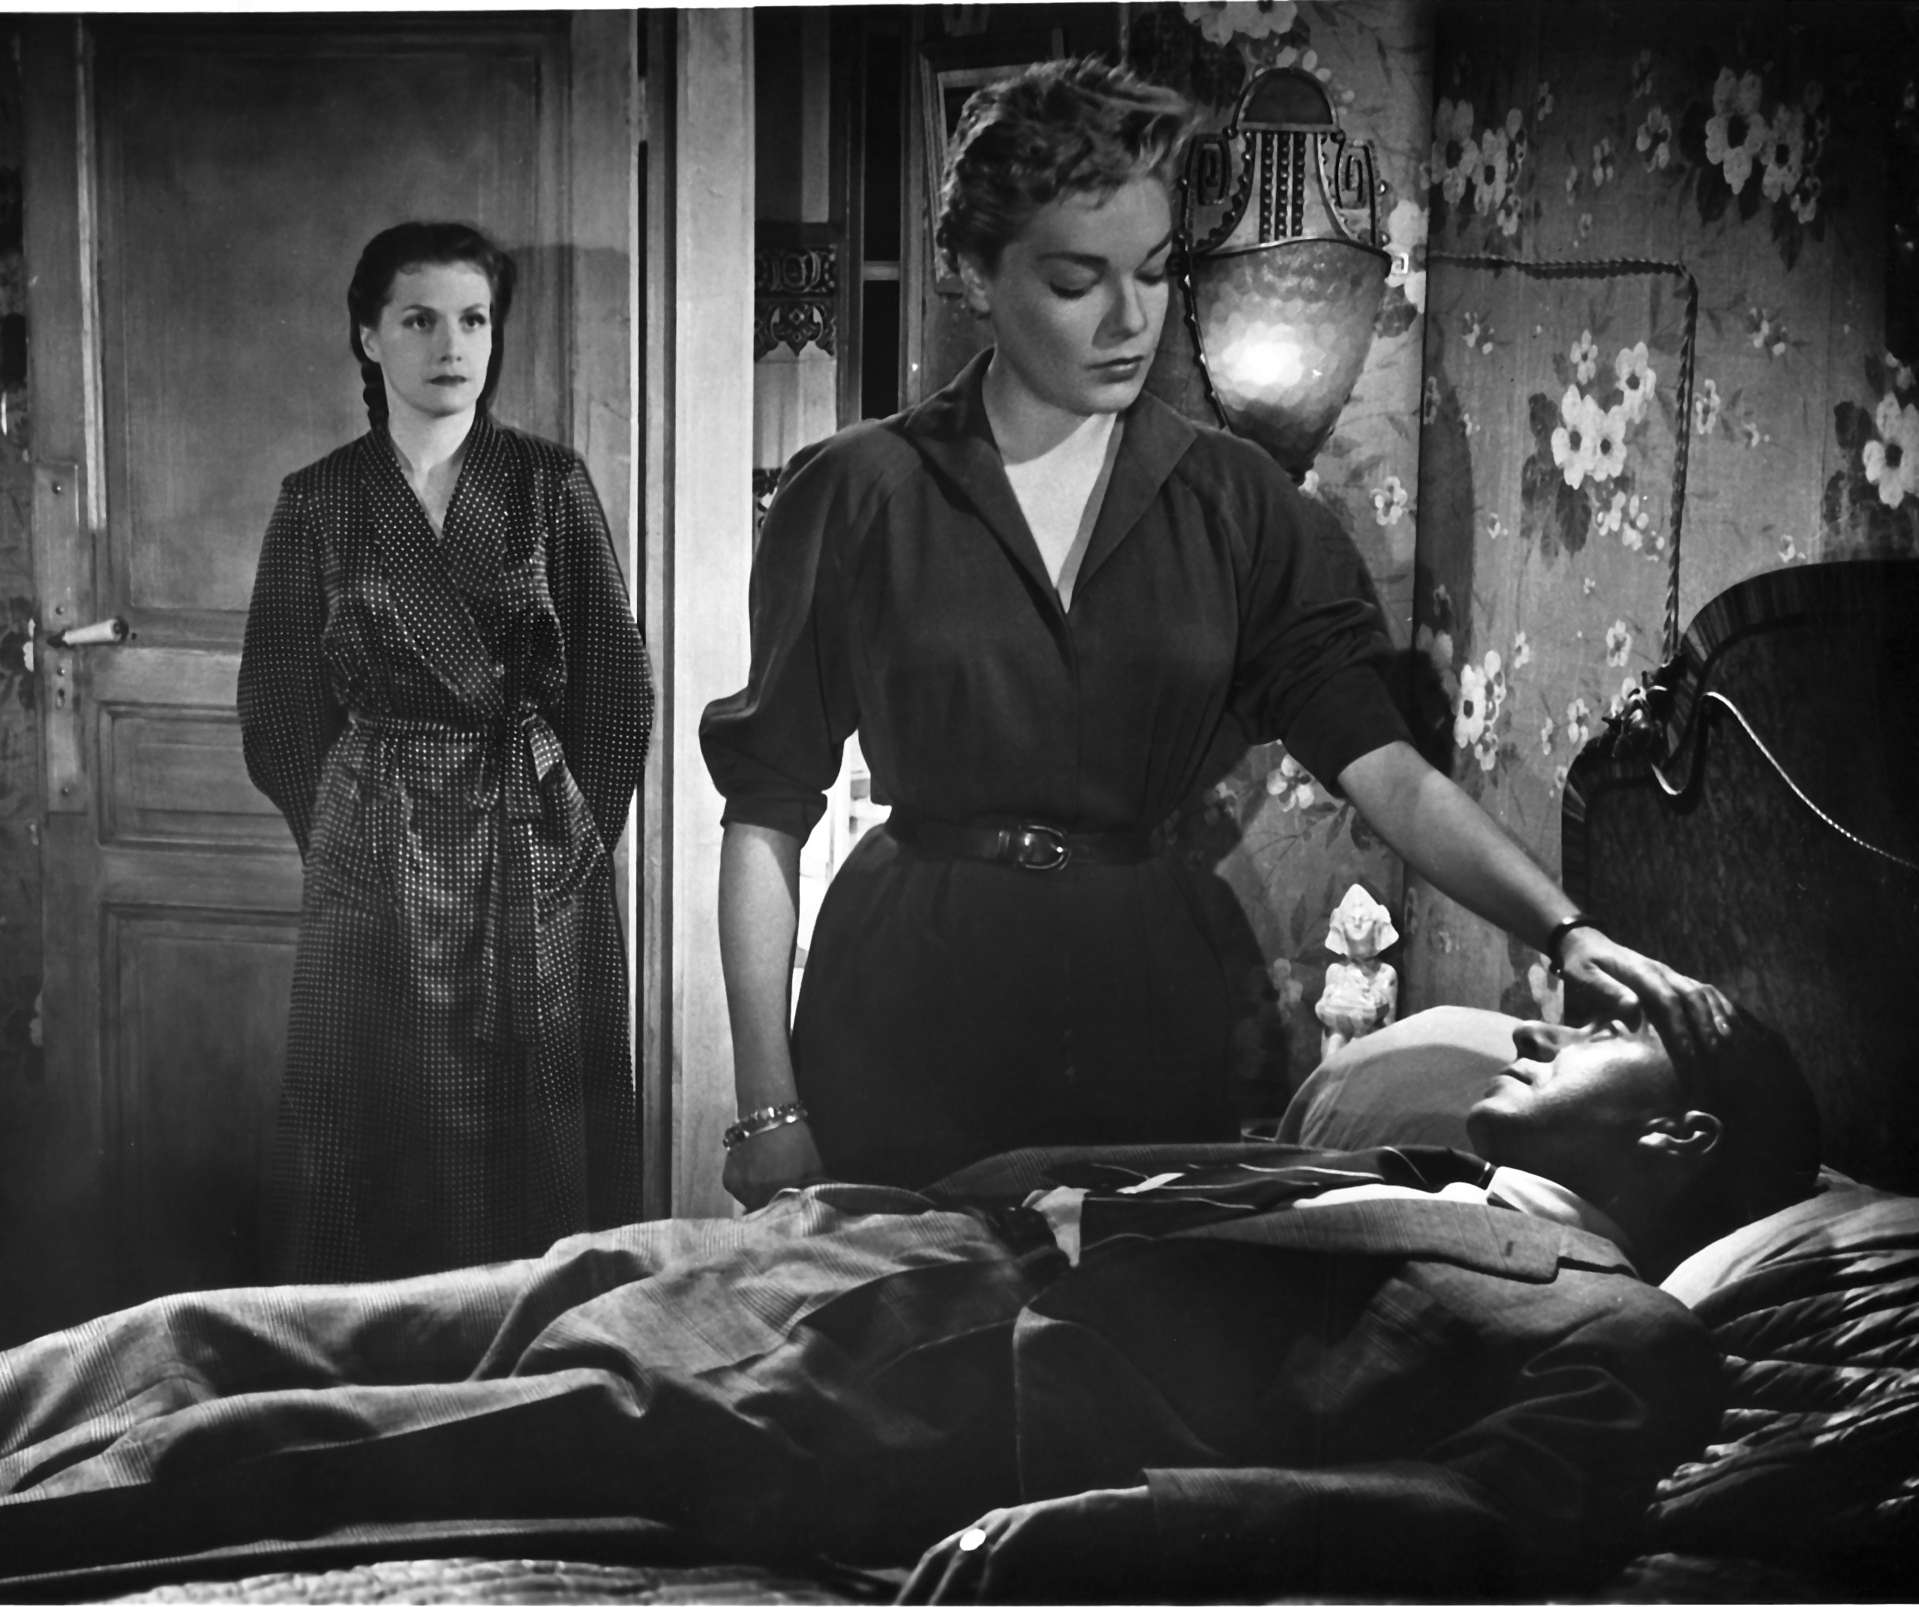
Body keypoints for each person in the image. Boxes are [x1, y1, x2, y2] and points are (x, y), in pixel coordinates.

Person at [699, 57, 1730, 1208]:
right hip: (908, 1000)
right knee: (891, 1306)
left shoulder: (1238, 503)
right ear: (972, 275)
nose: (1129, 319)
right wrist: (769, 1107)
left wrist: (1565, 930)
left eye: (1152, 271)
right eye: (1076, 280)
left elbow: (1385, 769)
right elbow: (764, 810)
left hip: (1142, 1000)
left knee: (1136, 1306)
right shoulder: (853, 492)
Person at [0, 997, 1820, 1602]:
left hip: (897, 1399)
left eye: (1592, 1031)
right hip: (838, 1250)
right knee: (211, 1324)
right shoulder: (1380, 1165)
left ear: (1681, 1131)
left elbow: (1486, 1521)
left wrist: (1116, 1528)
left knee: (280, 1445)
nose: (1533, 1026)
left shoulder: (1625, 1325)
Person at [237, 222, 653, 1281]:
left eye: (473, 319)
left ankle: (536, 1344)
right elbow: (277, 704)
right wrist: (345, 819)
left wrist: (565, 835)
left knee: (536, 1117)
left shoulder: (548, 483)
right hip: (372, 849)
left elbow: (617, 688)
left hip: (529, 839)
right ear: (368, 337)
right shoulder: (320, 498)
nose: (451, 345)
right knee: (363, 1109)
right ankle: (372, 1355)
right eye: (419, 320)